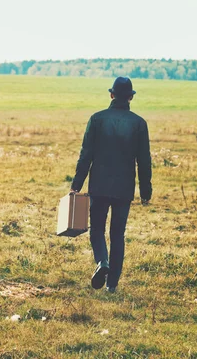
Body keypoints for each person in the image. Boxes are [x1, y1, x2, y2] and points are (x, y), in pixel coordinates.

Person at [70, 76, 152, 293]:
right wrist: (146, 191)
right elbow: (144, 160)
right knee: (118, 234)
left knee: (96, 229)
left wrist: (76, 184)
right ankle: (112, 285)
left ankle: (102, 262)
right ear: (130, 98)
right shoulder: (139, 123)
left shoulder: (97, 119)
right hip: (124, 188)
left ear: (111, 94)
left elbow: (85, 154)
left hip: (99, 184)